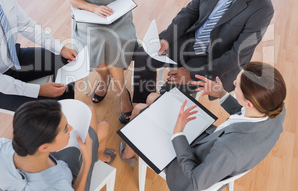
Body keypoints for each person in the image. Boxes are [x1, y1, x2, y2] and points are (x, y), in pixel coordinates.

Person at [132, 0, 274, 105]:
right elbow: (190, 12)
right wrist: (166, 39)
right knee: (143, 55)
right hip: (191, 41)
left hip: (217, 59)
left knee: (172, 90)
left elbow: (237, 55)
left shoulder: (262, 8)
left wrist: (191, 74)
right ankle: (140, 106)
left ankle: (160, 115)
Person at [120, 61, 286, 191]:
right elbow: (244, 115)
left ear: (249, 103)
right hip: (209, 143)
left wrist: (178, 133)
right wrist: (221, 95)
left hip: (187, 173)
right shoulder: (276, 108)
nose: (234, 81)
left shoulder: (229, 151)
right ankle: (130, 149)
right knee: (152, 98)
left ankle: (127, 154)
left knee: (138, 109)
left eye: (238, 84)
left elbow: (196, 181)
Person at [66, 0, 137, 123]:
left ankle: (122, 93)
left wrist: (113, 11)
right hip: (90, 15)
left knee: (110, 38)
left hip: (117, 13)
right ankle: (105, 80)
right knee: (97, 38)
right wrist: (93, 9)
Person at [0, 100, 116, 191]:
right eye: (66, 129)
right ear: (44, 147)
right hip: (70, 180)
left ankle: (99, 155)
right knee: (103, 127)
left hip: (48, 164)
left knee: (93, 115)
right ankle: (97, 156)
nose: (71, 128)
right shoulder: (57, 185)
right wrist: (87, 161)